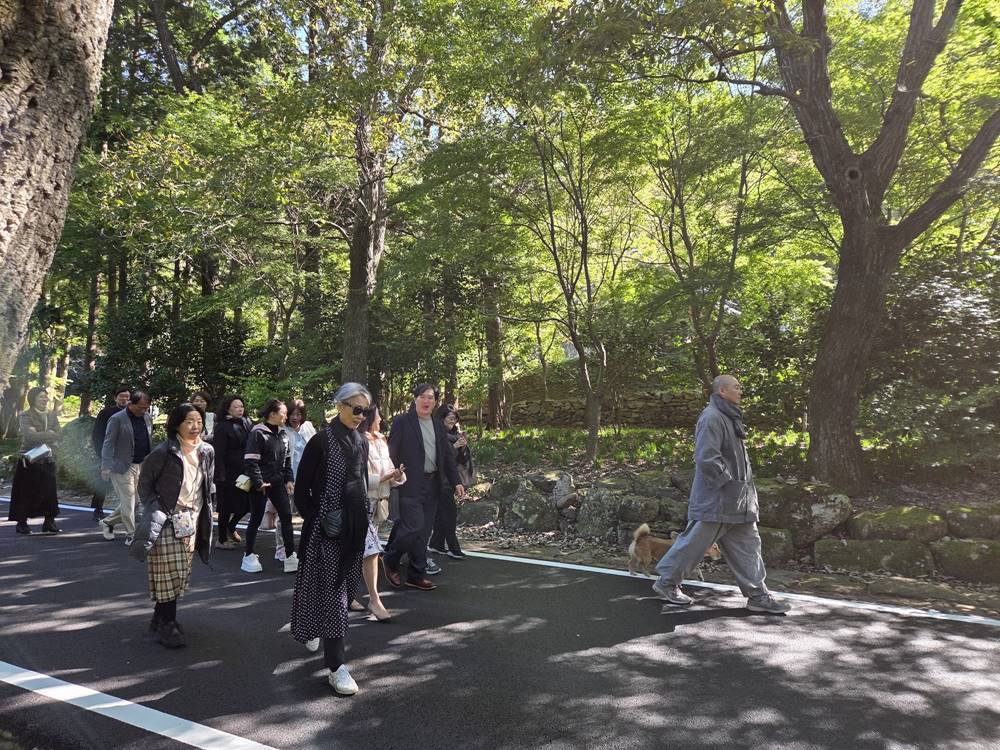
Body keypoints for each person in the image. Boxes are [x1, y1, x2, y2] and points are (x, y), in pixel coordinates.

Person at [651, 375, 791, 614]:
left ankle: (758, 596)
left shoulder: (730, 416)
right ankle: (666, 583)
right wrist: (728, 485)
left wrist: (741, 491)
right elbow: (706, 458)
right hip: (717, 500)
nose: (741, 391)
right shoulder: (712, 417)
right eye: (736, 387)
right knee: (694, 545)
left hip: (740, 502)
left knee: (749, 548)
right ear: (722, 391)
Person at [291, 383, 372, 695]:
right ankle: (337, 667)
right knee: (335, 595)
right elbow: (302, 491)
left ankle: (314, 627)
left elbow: (361, 482)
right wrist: (319, 520)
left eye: (365, 411)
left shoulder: (361, 440)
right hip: (325, 532)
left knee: (344, 590)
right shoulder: (321, 441)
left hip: (355, 527)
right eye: (356, 409)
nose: (361, 416)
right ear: (339, 405)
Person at [130, 403, 215, 648]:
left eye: (198, 421)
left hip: (191, 519)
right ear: (177, 424)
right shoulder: (163, 452)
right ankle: (167, 623)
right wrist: (158, 509)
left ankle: (160, 618)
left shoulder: (207, 451)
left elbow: (207, 484)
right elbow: (144, 485)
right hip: (166, 518)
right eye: (189, 421)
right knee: (169, 572)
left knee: (181, 572)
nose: (195, 426)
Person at [381, 383, 465, 591]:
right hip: (409, 483)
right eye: (423, 397)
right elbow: (392, 451)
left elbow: (446, 456)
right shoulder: (403, 421)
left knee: (424, 532)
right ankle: (390, 559)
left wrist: (456, 482)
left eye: (431, 398)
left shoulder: (437, 425)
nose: (426, 401)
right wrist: (392, 473)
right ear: (415, 398)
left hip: (433, 484)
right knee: (413, 527)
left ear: (435, 402)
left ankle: (416, 574)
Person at [355, 405, 405, 620]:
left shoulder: (382, 441)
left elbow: (389, 469)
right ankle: (374, 600)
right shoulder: (358, 440)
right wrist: (384, 478)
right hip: (359, 503)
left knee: (358, 551)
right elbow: (357, 476)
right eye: (377, 417)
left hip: (378, 504)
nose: (381, 420)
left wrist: (397, 475)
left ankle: (344, 593)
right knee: (371, 550)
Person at [241, 399, 297, 574]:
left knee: (286, 516)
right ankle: (248, 555)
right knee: (256, 517)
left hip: (278, 482)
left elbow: (287, 460)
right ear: (272, 414)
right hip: (261, 484)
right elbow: (251, 460)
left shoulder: (283, 434)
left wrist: (289, 479)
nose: (286, 416)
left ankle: (290, 555)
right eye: (283, 413)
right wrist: (258, 482)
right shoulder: (258, 433)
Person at [100, 391, 153, 546]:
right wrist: (106, 466)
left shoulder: (147, 417)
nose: (144, 410)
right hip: (122, 465)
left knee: (135, 501)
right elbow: (108, 443)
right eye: (141, 407)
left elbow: (148, 439)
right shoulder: (117, 419)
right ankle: (131, 534)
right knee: (129, 500)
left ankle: (108, 522)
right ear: (131, 404)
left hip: (142, 464)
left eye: (146, 407)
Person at [8, 386, 62, 534]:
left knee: (50, 492)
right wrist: (49, 433)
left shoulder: (52, 415)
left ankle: (49, 522)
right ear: (33, 399)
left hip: (48, 458)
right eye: (41, 397)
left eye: (46, 396)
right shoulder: (26, 415)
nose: (45, 399)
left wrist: (44, 434)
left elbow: (59, 433)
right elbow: (30, 436)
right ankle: (22, 523)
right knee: (25, 492)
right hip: (30, 459)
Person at [273, 399, 317, 562]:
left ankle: (310, 545)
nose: (295, 417)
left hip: (308, 480)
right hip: (288, 479)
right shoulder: (282, 431)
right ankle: (281, 547)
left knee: (311, 514)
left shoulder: (308, 427)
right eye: (292, 414)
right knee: (284, 515)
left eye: (298, 414)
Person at [428, 403, 473, 559]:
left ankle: (436, 544)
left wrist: (463, 447)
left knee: (442, 514)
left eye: (455, 419)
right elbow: (439, 458)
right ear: (441, 418)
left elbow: (462, 460)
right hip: (439, 480)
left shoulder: (455, 434)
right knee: (449, 513)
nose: (453, 421)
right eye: (450, 418)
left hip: (451, 479)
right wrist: (453, 447)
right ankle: (454, 548)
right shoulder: (435, 434)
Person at [212, 395, 252, 549]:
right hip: (227, 472)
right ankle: (222, 539)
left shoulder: (247, 422)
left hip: (244, 471)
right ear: (228, 408)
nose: (240, 409)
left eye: (241, 406)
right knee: (225, 506)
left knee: (246, 503)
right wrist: (220, 474)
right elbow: (219, 453)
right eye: (236, 407)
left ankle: (232, 525)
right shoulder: (223, 426)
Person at [90, 386, 130, 521]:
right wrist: (101, 453)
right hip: (107, 452)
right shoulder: (106, 413)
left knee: (128, 484)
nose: (124, 399)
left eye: (127, 397)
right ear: (115, 398)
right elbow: (97, 434)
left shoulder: (133, 413)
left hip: (126, 454)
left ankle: (127, 511)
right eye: (121, 396)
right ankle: (98, 509)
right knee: (104, 481)